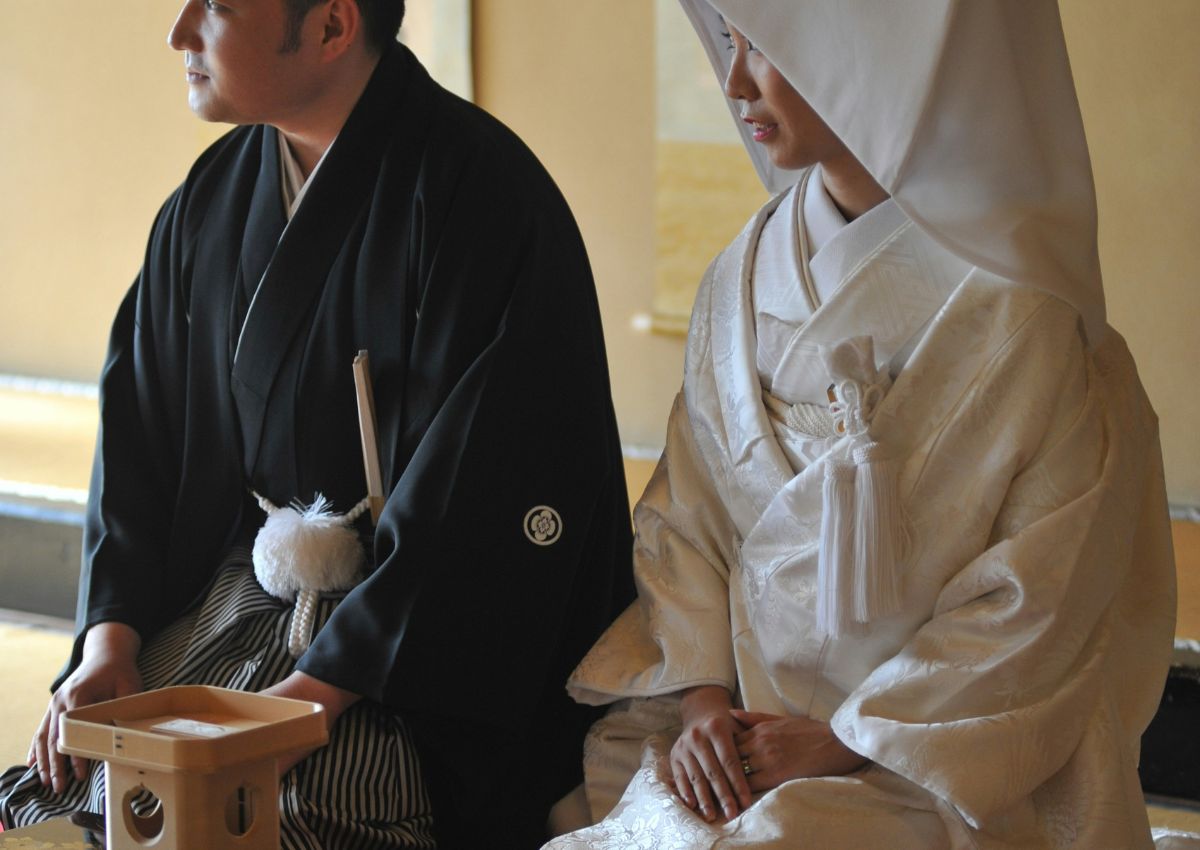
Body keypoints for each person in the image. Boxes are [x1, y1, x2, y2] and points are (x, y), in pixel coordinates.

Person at [0, 1, 633, 847]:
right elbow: (141, 436)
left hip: (402, 650)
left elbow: (489, 488)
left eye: (215, 7)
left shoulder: (484, 197)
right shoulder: (212, 198)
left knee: (295, 816)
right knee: (110, 785)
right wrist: (107, 641)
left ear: (333, 25)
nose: (180, 33)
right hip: (246, 601)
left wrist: (310, 699)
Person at [545, 1, 1177, 848]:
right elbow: (686, 524)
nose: (735, 83)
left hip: (937, 772)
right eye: (731, 43)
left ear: (879, 62)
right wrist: (701, 706)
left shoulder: (1028, 316)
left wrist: (846, 740)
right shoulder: (741, 275)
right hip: (745, 738)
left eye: (765, 49)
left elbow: (1036, 603)